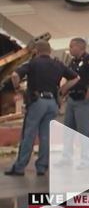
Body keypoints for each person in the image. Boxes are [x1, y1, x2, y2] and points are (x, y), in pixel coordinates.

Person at [5, 41, 79, 176]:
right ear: (49, 51)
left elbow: (15, 75)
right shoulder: (58, 64)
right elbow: (75, 78)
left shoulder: (33, 63)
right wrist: (62, 91)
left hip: (37, 102)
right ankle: (41, 167)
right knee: (45, 136)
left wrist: (18, 89)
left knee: (28, 135)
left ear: (36, 51)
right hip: (52, 103)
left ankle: (20, 167)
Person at [60, 37, 89, 169]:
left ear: (79, 47)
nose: (69, 49)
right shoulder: (73, 62)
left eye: (71, 46)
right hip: (72, 98)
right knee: (68, 130)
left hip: (83, 100)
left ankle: (86, 160)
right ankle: (66, 158)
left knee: (84, 132)